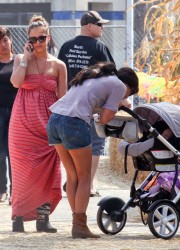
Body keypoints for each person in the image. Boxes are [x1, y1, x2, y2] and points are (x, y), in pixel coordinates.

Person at [46, 62, 139, 238]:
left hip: (55, 120)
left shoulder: (95, 75)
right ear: (129, 86)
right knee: (85, 176)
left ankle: (77, 223)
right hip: (73, 123)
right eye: (130, 94)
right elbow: (104, 119)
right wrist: (118, 105)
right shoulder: (119, 85)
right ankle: (79, 226)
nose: (126, 97)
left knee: (72, 175)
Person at [9, 15, 67, 233]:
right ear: (28, 40)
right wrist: (25, 57)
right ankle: (18, 217)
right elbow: (16, 82)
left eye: (42, 37)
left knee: (50, 170)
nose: (38, 42)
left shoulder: (59, 65)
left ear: (48, 37)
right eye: (33, 39)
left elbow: (63, 99)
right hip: (22, 124)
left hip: (48, 125)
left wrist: (61, 127)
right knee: (22, 171)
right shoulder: (20, 59)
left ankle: (43, 219)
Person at [58, 10, 115, 196]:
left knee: (73, 145)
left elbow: (60, 75)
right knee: (95, 143)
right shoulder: (99, 48)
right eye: (100, 25)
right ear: (89, 26)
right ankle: (88, 185)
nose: (102, 28)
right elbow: (111, 76)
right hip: (92, 105)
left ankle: (74, 182)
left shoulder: (66, 47)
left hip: (69, 105)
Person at [0, 27, 17, 204]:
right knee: (0, 152)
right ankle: (2, 189)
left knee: (14, 152)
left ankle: (15, 191)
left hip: (15, 111)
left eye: (5, 40)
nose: (3, 44)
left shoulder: (19, 61)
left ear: (11, 41)